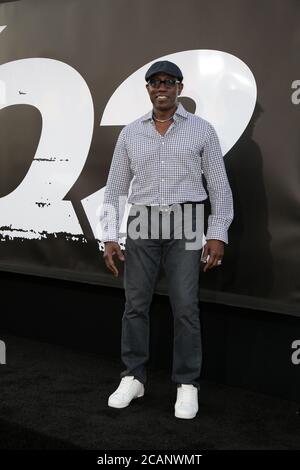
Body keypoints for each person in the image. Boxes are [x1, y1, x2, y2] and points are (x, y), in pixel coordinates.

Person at [101, 60, 233, 419]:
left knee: (186, 307)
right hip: (142, 218)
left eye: (169, 82)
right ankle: (133, 377)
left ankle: (187, 384)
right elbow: (114, 189)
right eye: (155, 82)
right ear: (147, 89)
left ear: (180, 87)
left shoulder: (202, 130)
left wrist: (217, 233)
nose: (162, 87)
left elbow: (219, 188)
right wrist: (109, 237)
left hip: (188, 218)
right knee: (135, 304)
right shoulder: (130, 133)